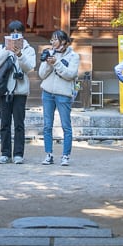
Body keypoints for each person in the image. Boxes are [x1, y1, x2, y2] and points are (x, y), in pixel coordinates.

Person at [0, 20, 37, 164]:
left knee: (19, 124)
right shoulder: (2, 47)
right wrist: (7, 50)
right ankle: (5, 153)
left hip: (20, 91)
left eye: (18, 32)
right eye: (13, 32)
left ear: (23, 33)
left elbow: (29, 67)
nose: (15, 35)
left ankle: (18, 154)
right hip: (5, 90)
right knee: (4, 123)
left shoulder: (29, 49)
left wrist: (20, 54)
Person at [38, 29, 80, 166]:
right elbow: (41, 74)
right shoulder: (49, 53)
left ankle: (65, 155)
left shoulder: (73, 56)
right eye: (52, 40)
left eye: (55, 39)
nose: (53, 42)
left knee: (66, 126)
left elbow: (70, 74)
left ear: (63, 42)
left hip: (63, 94)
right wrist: (49, 63)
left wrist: (56, 63)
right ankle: (48, 154)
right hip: (47, 92)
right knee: (47, 125)